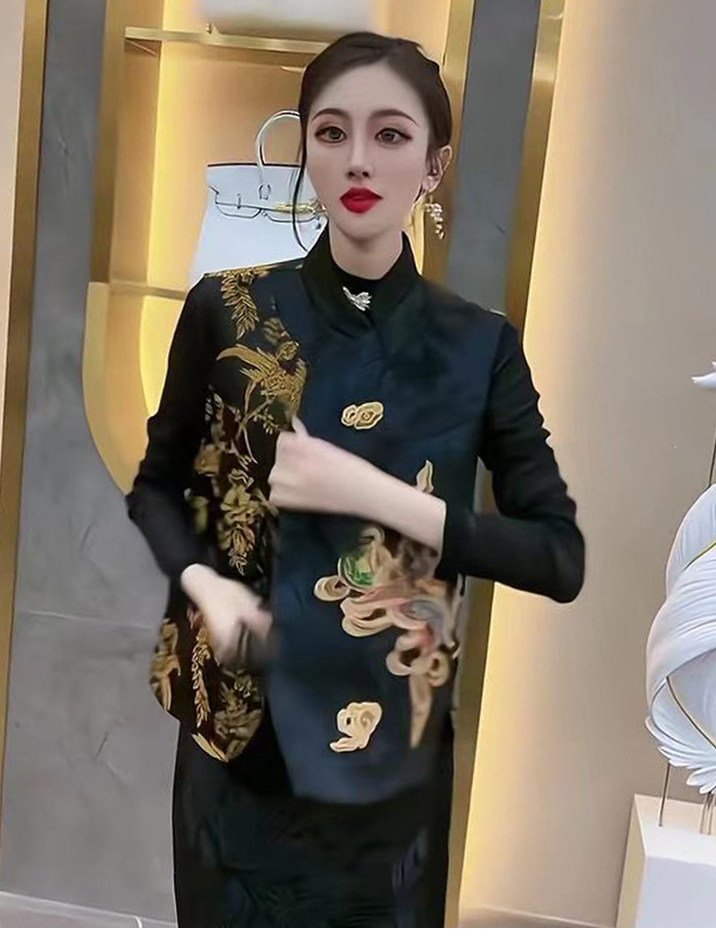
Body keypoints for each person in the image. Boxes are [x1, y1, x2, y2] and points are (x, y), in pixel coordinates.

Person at [126, 31, 585, 928]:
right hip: (236, 752)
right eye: (332, 132)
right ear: (306, 149)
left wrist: (376, 496)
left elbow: (556, 558)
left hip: (388, 769)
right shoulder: (226, 308)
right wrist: (207, 587)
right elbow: (156, 489)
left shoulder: (479, 347)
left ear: (434, 166)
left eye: (391, 135)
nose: (358, 159)